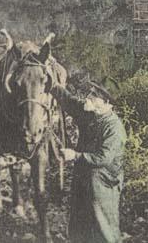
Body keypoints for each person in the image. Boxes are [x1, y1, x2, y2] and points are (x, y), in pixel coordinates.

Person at [52, 80, 126, 243]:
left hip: (104, 182)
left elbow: (103, 158)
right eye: (90, 93)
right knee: (79, 223)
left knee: (103, 225)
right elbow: (70, 102)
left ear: (106, 102)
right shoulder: (89, 113)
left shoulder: (114, 128)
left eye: (94, 95)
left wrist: (75, 155)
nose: (88, 97)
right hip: (84, 176)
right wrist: (53, 86)